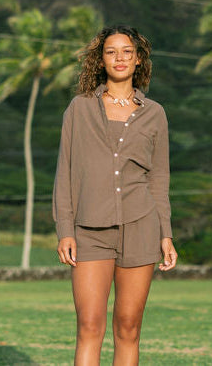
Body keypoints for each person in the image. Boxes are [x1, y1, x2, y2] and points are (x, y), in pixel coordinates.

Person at [53, 24, 178, 365]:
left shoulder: (155, 114)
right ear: (101, 60)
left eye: (126, 51)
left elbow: (159, 179)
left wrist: (165, 234)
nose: (119, 57)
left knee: (128, 328)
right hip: (90, 230)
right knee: (90, 327)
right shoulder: (79, 110)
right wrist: (65, 230)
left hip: (141, 228)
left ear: (138, 60)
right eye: (111, 51)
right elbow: (65, 173)